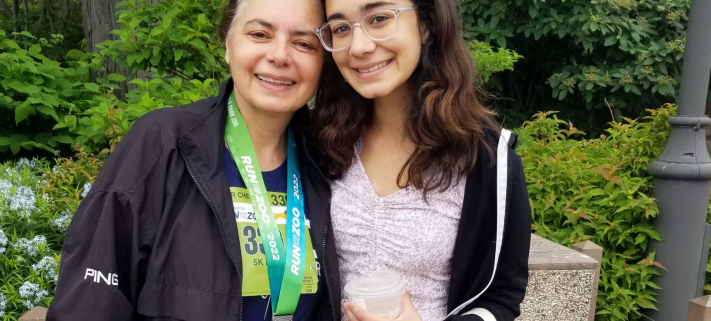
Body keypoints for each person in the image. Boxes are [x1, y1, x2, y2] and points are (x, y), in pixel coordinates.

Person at [46, 0, 343, 320]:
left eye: (303, 43)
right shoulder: (161, 145)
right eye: (259, 34)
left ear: (324, 62)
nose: (280, 55)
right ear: (228, 45)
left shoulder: (330, 160)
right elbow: (89, 304)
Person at [309, 0, 532, 320]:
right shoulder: (316, 141)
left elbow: (502, 297)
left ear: (426, 25)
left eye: (380, 18)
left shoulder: (486, 160)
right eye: (341, 28)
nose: (358, 46)